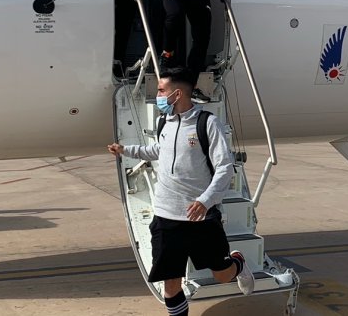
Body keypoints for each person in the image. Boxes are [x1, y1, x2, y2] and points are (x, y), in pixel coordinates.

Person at [107, 68, 253, 313]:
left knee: (221, 275)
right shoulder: (164, 121)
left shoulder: (207, 123)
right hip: (166, 218)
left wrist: (205, 201)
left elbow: (225, 168)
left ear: (176, 94)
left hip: (201, 218)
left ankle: (238, 263)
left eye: (162, 90)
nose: (158, 96)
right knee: (171, 284)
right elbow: (158, 150)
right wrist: (126, 150)